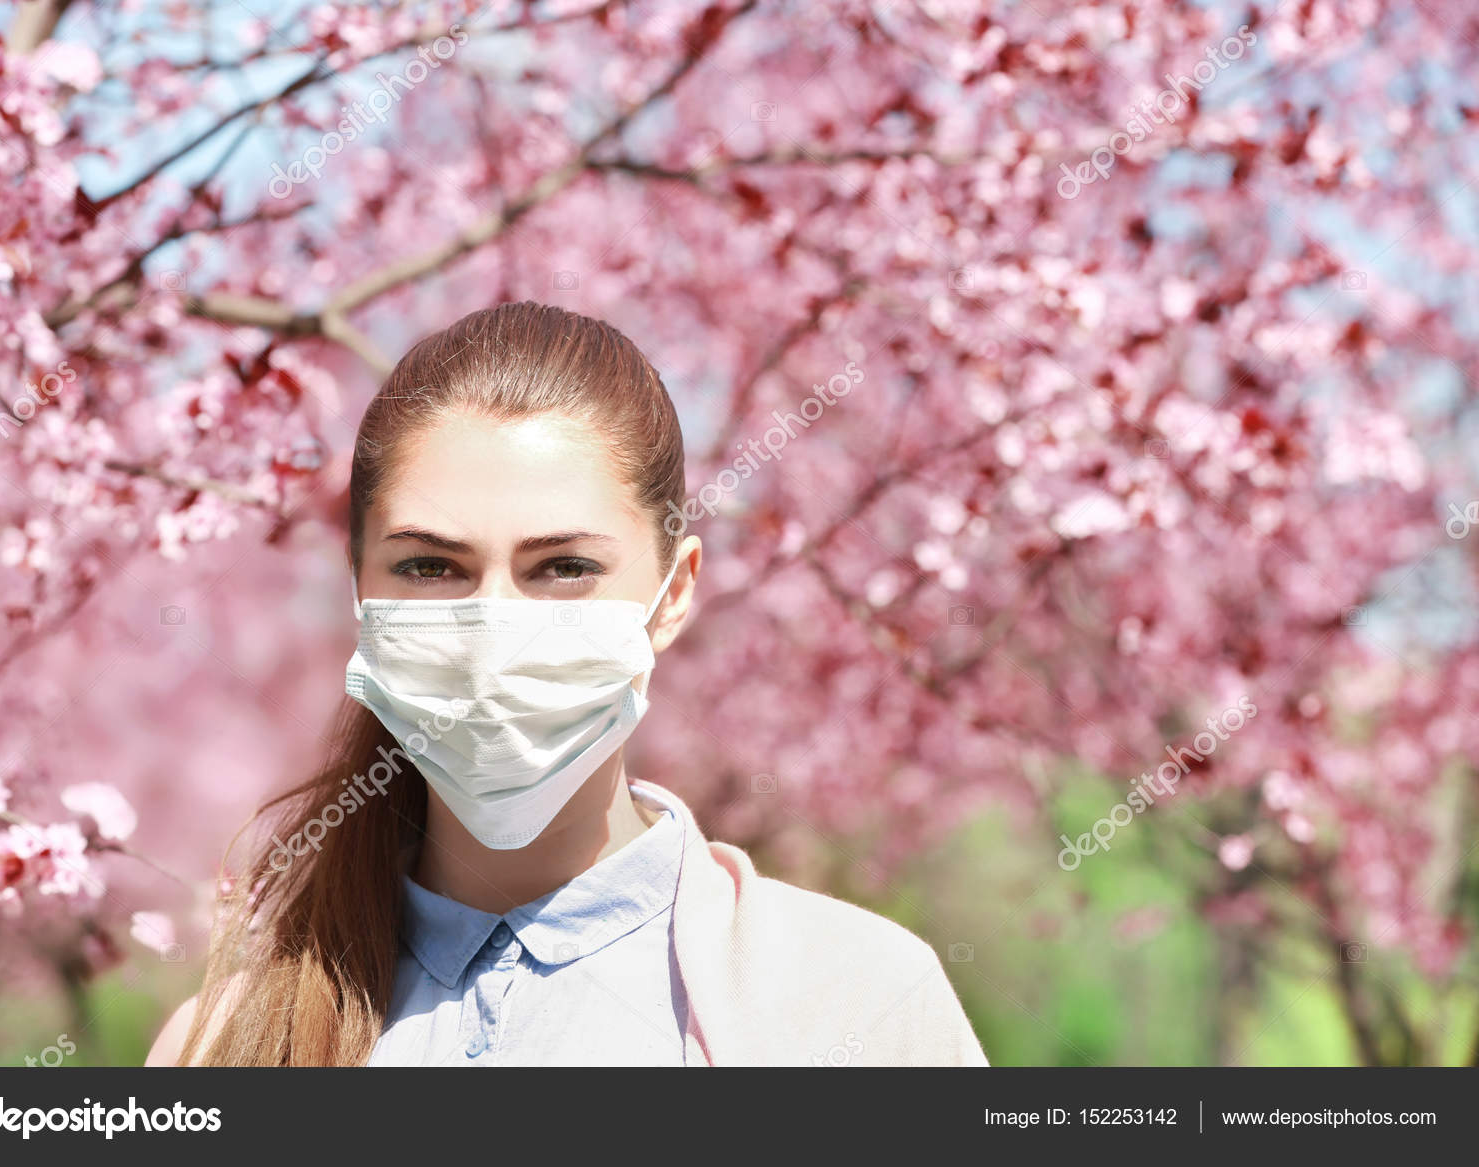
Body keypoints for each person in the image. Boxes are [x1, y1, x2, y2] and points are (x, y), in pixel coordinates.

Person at [146, 301, 987, 1066]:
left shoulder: (858, 1007)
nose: (493, 629)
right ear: (362, 589)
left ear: (674, 593)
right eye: (431, 565)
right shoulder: (223, 1043)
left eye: (565, 566)